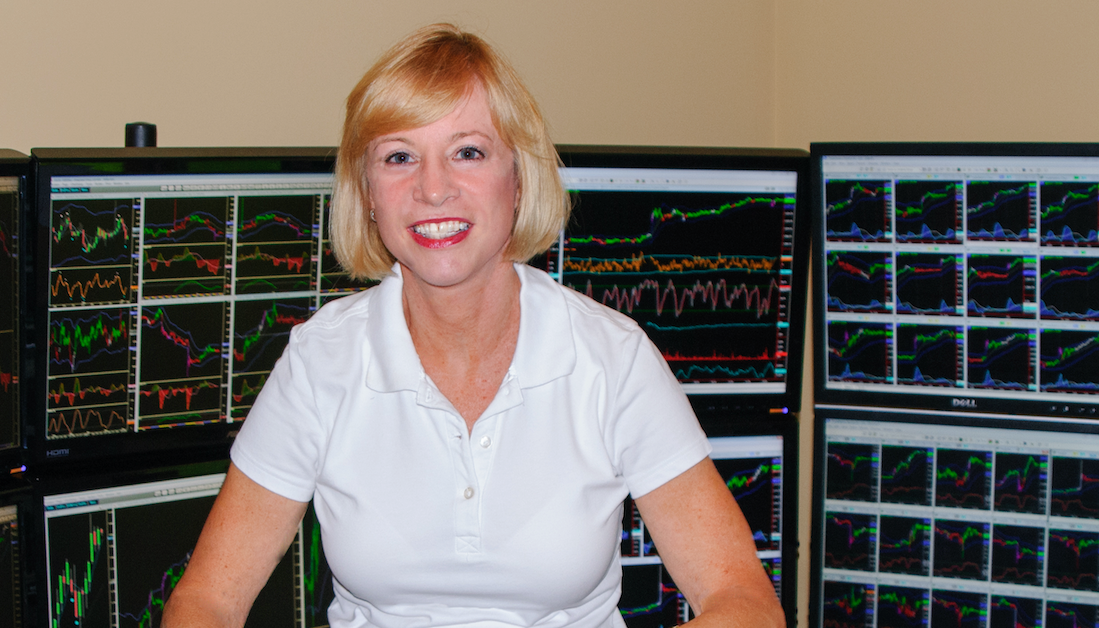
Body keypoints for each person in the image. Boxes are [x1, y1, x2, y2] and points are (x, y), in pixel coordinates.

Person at [163, 23, 783, 628]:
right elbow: (206, 602)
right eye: (399, 156)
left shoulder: (612, 360)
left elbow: (746, 604)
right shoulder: (321, 361)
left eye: (468, 152)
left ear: (518, 178)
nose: (433, 189)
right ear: (368, 193)